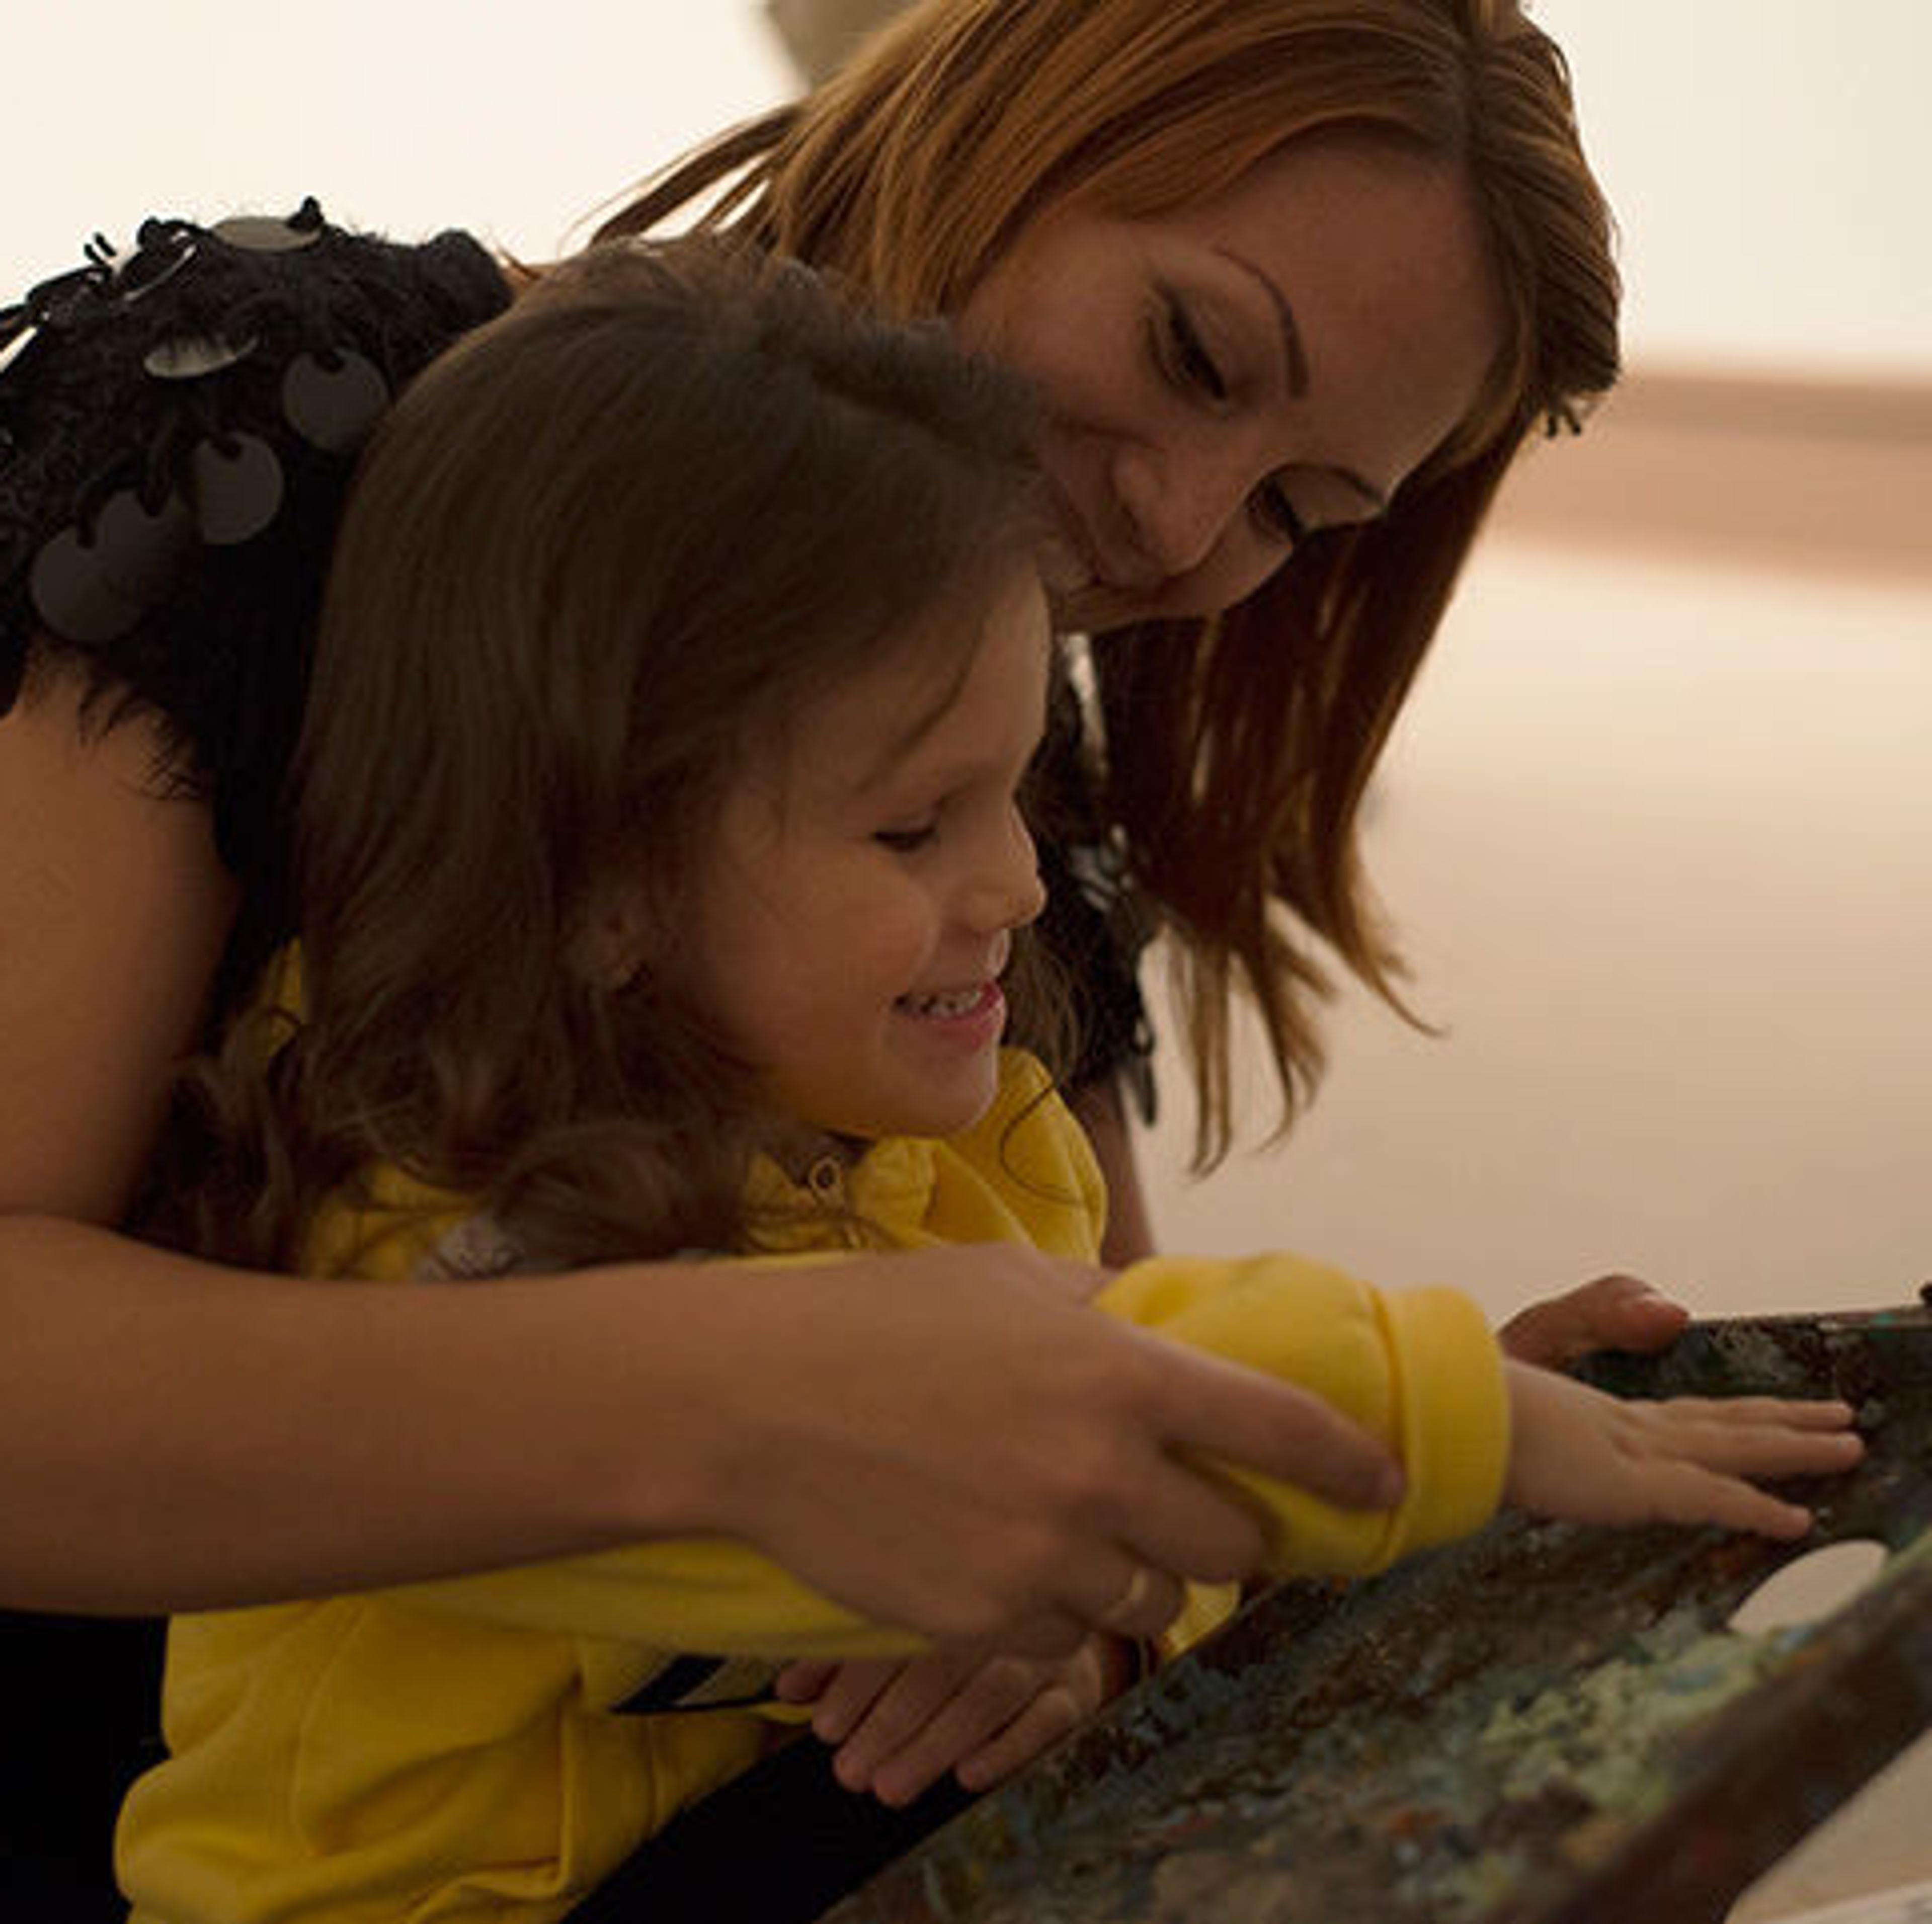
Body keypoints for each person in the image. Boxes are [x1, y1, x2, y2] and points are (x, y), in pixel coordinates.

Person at [0, 0, 1679, 1904]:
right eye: (1196, 353)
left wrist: (1185, 1553)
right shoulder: (276, 447)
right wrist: (748, 1412)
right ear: (1018, 113)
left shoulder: (1000, 777)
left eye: (1298, 513)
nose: (1178, 525)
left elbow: (1082, 1375)